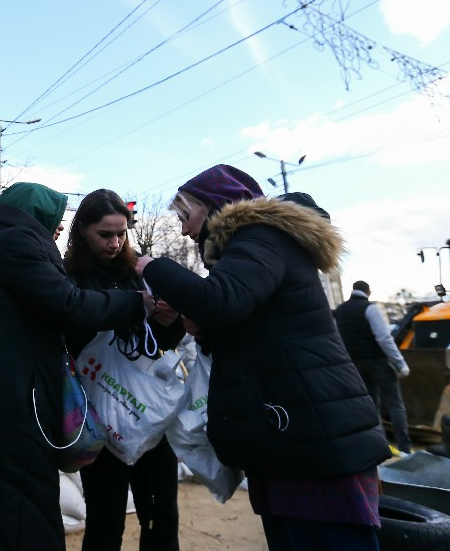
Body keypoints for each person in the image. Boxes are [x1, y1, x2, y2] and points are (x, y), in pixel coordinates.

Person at [134, 165, 390, 551]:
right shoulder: (256, 247)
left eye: (186, 217)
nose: (185, 230)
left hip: (311, 435)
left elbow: (220, 302)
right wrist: (206, 333)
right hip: (291, 433)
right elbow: (256, 328)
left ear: (214, 206)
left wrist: (150, 265)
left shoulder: (261, 237)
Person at [0, 182, 154, 551]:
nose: (58, 226)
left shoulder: (6, 243)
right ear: (35, 214)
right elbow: (68, 304)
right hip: (11, 406)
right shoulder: (16, 244)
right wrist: (137, 304)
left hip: (0, 403)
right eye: (54, 217)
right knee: (18, 516)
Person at [62, 189, 185, 551]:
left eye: (121, 233)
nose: (115, 243)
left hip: (149, 412)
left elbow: (161, 341)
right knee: (105, 517)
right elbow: (74, 324)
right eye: (105, 234)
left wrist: (170, 318)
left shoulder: (140, 273)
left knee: (162, 512)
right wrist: (131, 306)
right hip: (101, 417)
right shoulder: (67, 278)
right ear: (82, 229)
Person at [334, 280, 413, 455]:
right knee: (395, 403)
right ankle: (405, 448)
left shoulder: (340, 311)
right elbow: (384, 339)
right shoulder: (370, 308)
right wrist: (400, 364)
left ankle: (381, 447)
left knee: (371, 406)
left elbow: (338, 339)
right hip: (377, 362)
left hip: (355, 364)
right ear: (368, 292)